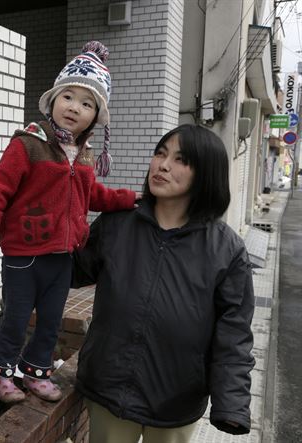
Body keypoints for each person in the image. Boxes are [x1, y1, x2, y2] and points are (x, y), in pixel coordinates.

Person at [0, 41, 138, 403]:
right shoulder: (29, 143)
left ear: (96, 116)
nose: (75, 107)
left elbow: (93, 196)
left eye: (87, 103)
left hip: (63, 255)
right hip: (24, 254)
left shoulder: (86, 154)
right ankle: (2, 373)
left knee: (49, 321)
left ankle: (35, 372)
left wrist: (128, 199)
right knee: (15, 318)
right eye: (69, 97)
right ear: (53, 100)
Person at [72, 124, 255, 442]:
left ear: (206, 173)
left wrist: (232, 404)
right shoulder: (118, 223)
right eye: (160, 153)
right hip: (107, 390)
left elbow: (234, 335)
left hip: (176, 401)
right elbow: (71, 271)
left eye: (181, 159)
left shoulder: (227, 250)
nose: (163, 165)